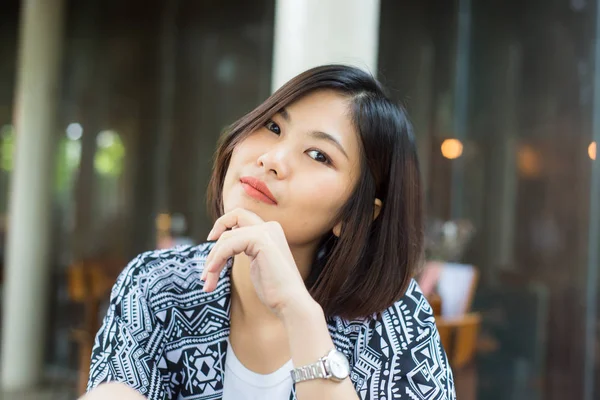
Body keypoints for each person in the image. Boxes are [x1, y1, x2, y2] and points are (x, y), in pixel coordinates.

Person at [82, 65, 456, 400]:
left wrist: (299, 312)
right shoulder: (157, 285)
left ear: (355, 214)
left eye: (318, 155)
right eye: (273, 127)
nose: (272, 160)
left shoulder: (392, 317)